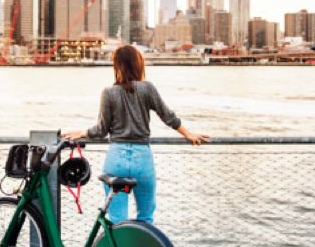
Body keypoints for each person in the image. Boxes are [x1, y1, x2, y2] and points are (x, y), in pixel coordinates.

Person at [62, 45, 209, 224]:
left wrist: (83, 132)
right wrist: (188, 133)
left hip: (116, 158)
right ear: (138, 64)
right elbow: (167, 116)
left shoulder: (108, 92)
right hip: (142, 158)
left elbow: (101, 131)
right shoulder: (147, 88)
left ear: (116, 65)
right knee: (146, 218)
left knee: (118, 222)